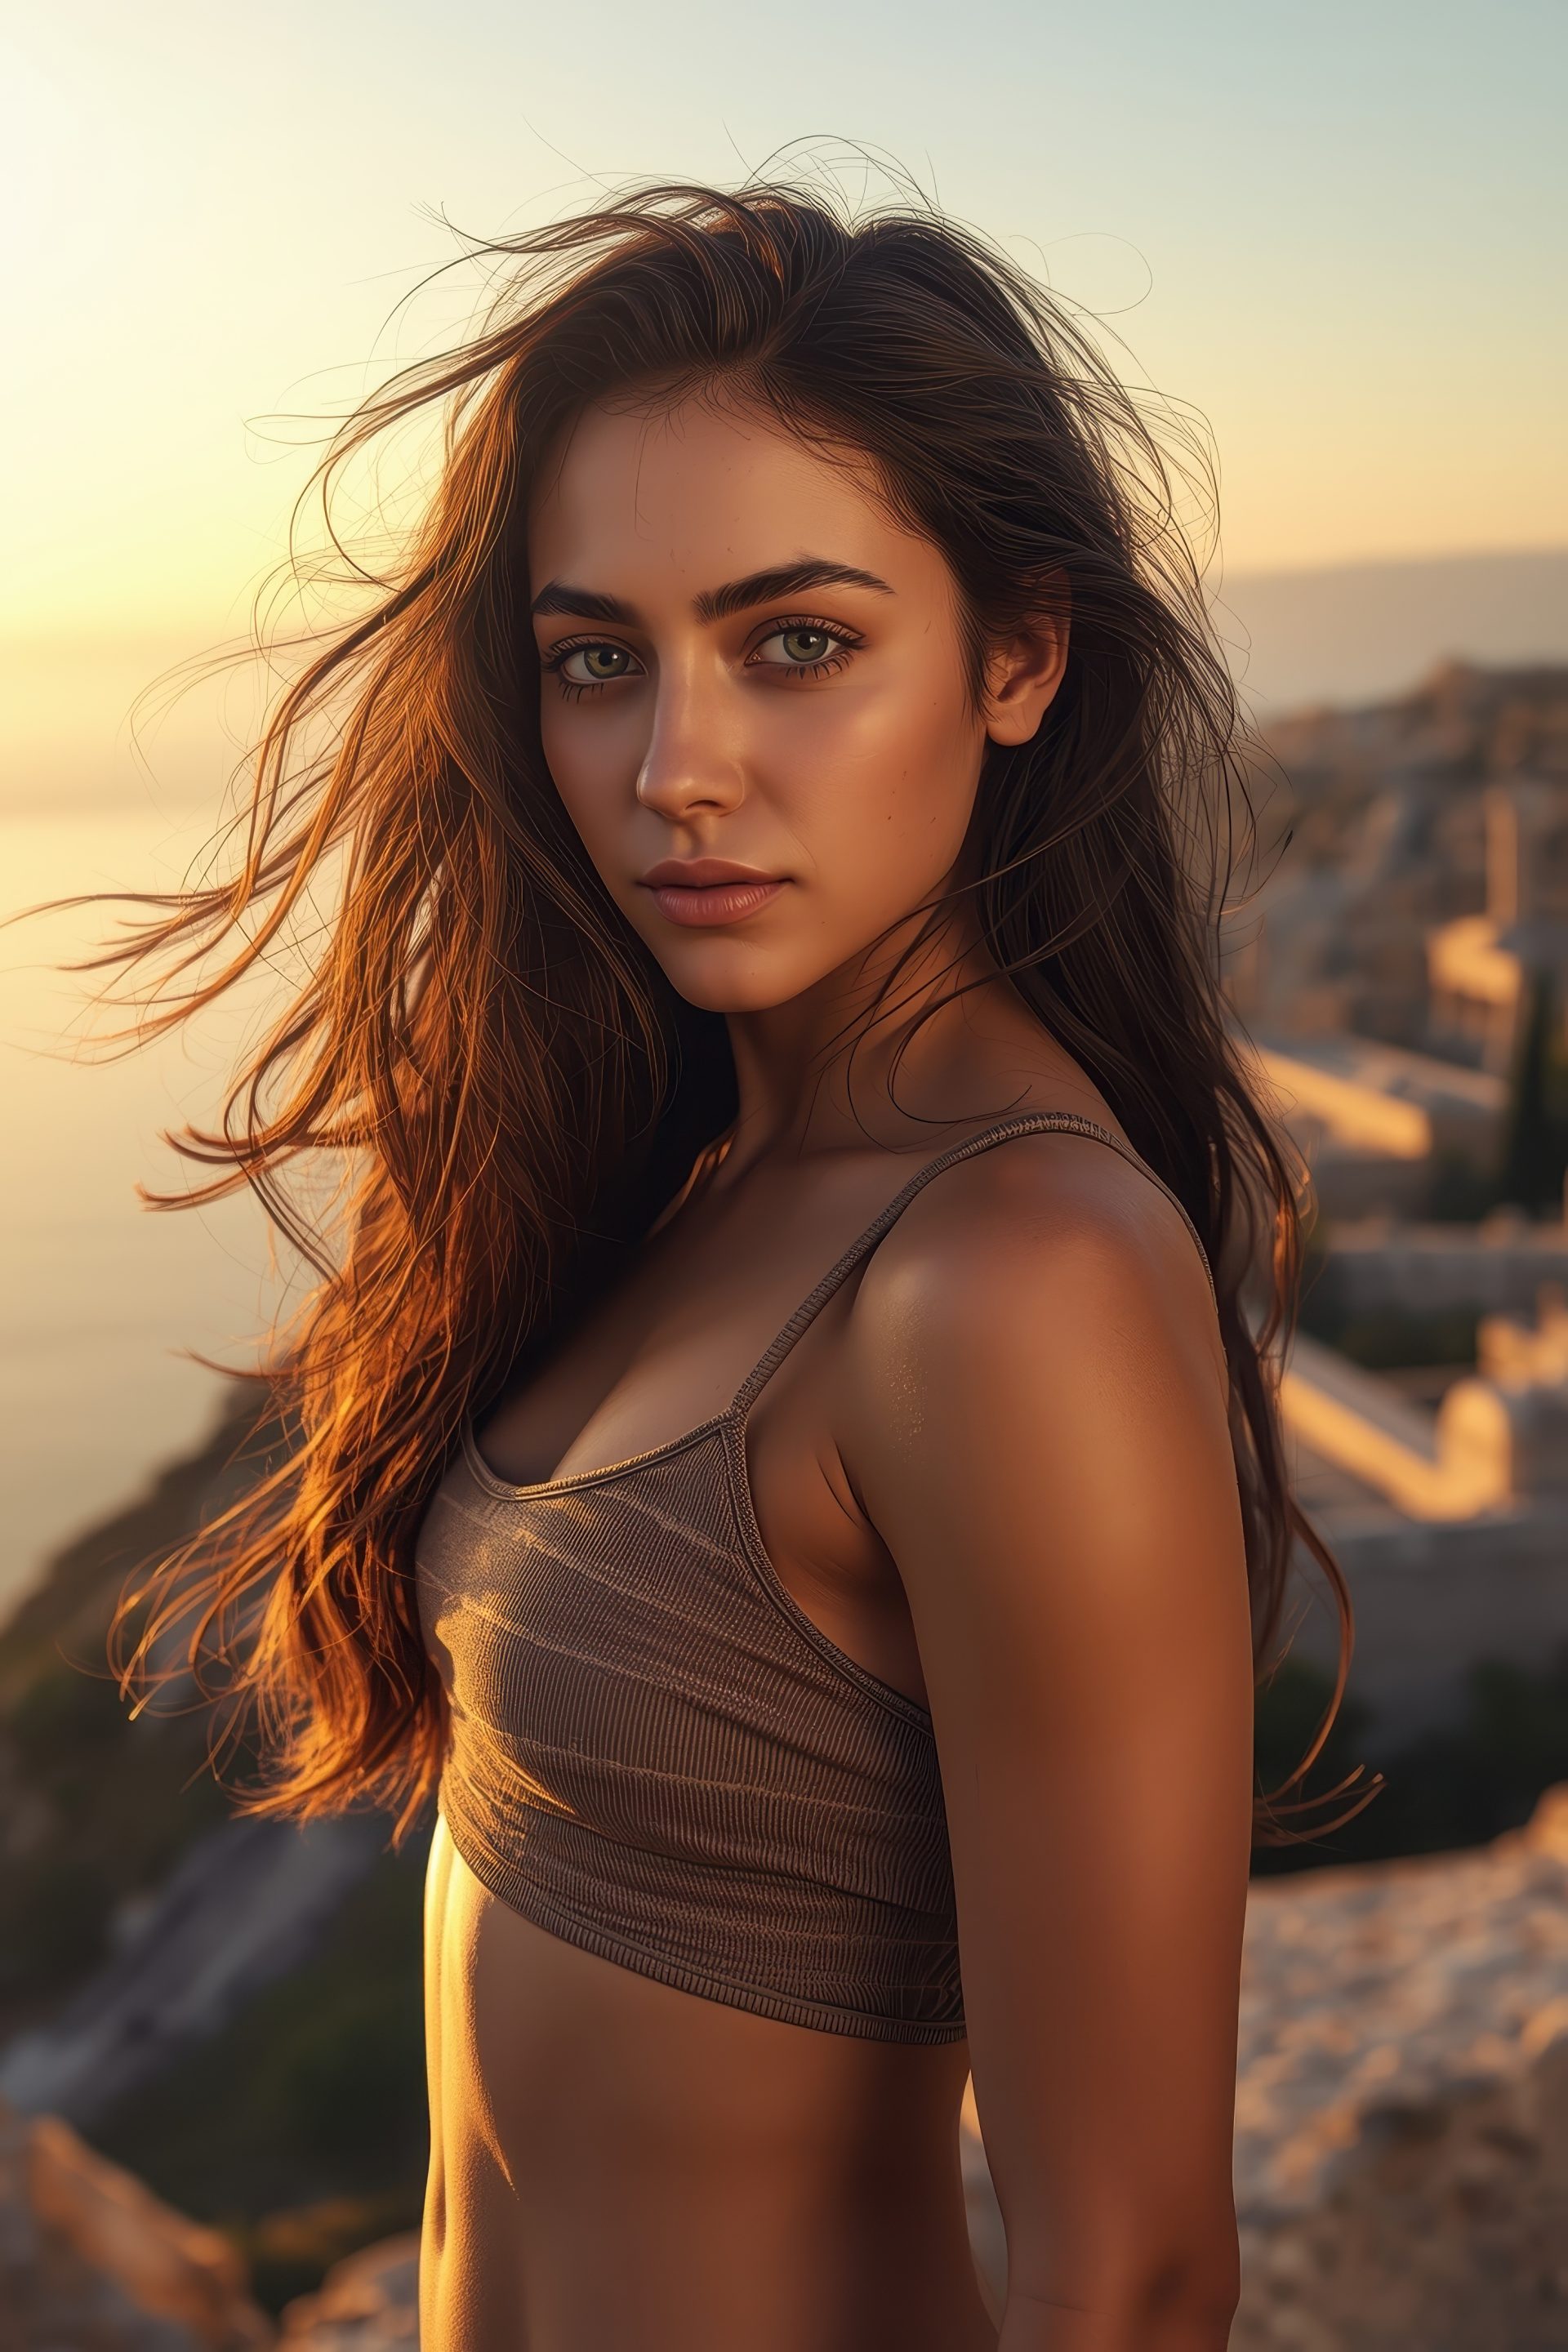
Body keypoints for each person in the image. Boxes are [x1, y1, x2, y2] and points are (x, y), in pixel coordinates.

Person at [104, 173, 1365, 2351]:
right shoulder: (688, 1175)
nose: (678, 770)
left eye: (798, 643)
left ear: (1019, 658)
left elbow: (1137, 2276)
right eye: (602, 660)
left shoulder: (1009, 1277)